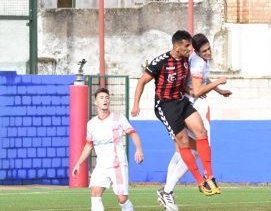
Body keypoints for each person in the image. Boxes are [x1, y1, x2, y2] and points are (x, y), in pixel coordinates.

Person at [131, 30, 220, 211]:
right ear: (177, 46)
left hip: (181, 101)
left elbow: (184, 84)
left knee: (202, 132)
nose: (190, 49)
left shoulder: (187, 60)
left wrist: (192, 92)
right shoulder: (161, 62)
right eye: (187, 46)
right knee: (184, 143)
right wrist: (136, 105)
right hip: (165, 106)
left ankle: (208, 177)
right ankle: (197, 183)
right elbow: (141, 82)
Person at [156, 33, 232, 211]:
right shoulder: (197, 62)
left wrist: (218, 90)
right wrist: (217, 83)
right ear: (196, 51)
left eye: (209, 49)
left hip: (184, 106)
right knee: (196, 149)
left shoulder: (198, 61)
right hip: (189, 107)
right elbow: (197, 90)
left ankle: (167, 191)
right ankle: (167, 191)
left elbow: (201, 80)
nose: (208, 53)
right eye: (204, 50)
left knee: (182, 150)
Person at [72, 87, 144, 211]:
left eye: (107, 97)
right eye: (101, 98)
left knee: (122, 199)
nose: (105, 100)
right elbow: (89, 145)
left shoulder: (118, 118)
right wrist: (78, 163)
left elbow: (133, 133)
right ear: (96, 102)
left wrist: (139, 149)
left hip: (118, 164)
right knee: (95, 193)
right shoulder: (91, 124)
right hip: (101, 165)